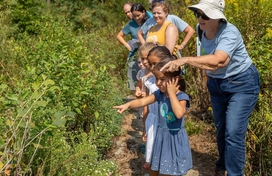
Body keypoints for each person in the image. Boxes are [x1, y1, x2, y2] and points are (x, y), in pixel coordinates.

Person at [160, 0, 260, 175]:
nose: (200, 18)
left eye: (205, 15)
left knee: (233, 132)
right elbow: (212, 64)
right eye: (197, 14)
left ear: (217, 17)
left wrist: (186, 59)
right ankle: (221, 166)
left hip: (242, 83)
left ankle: (235, 173)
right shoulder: (202, 29)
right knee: (221, 129)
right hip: (217, 83)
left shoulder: (230, 32)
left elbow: (219, 60)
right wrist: (208, 80)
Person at [113, 57, 192, 176]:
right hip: (161, 136)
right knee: (158, 167)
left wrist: (171, 93)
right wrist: (128, 105)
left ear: (175, 79)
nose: (158, 83)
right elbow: (142, 102)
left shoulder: (181, 96)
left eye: (162, 79)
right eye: (157, 79)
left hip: (174, 138)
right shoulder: (159, 94)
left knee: (171, 171)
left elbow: (179, 113)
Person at [116, 3, 152, 91]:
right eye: (126, 13)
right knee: (137, 81)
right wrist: (129, 47)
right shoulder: (131, 24)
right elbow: (119, 36)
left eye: (129, 11)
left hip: (150, 52)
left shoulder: (150, 18)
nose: (128, 14)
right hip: (136, 54)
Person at [137, 42, 159, 170]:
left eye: (147, 59)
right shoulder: (148, 79)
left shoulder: (164, 79)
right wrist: (145, 128)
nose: (145, 62)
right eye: (143, 59)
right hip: (152, 118)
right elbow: (145, 105)